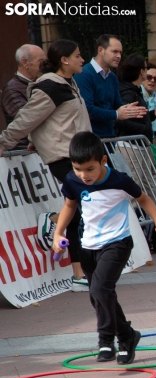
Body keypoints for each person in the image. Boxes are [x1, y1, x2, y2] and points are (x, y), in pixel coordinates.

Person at [51, 131, 156, 364]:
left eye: (89, 169)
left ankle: (109, 339)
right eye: (77, 168)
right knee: (99, 296)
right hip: (88, 246)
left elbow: (143, 198)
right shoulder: (72, 180)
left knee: (100, 290)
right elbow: (69, 206)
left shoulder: (119, 180)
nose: (83, 175)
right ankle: (126, 335)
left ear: (103, 161)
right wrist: (57, 233)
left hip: (117, 242)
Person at [0, 39, 91, 292]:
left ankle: (78, 272)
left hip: (78, 156)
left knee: (80, 209)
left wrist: (33, 140)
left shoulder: (68, 83)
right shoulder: (50, 86)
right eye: (78, 55)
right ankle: (55, 225)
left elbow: (56, 120)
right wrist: (4, 143)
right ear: (64, 60)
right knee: (85, 206)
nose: (82, 59)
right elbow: (28, 118)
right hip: (63, 158)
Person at [74, 34, 146, 138]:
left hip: (109, 137)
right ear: (101, 50)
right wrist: (116, 114)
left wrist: (128, 110)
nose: (119, 56)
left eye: (120, 52)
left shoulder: (112, 77)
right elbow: (87, 109)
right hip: (91, 140)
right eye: (115, 51)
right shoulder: (85, 74)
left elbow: (117, 104)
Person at [1, 44, 46, 149]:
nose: (44, 66)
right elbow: (27, 119)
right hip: (23, 151)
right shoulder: (12, 88)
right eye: (40, 61)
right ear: (25, 62)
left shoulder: (41, 83)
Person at [115, 54, 156, 140]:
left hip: (138, 145)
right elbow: (120, 120)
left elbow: (136, 117)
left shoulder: (135, 90)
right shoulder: (128, 93)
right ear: (142, 71)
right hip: (131, 146)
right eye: (146, 68)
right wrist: (144, 128)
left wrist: (152, 114)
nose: (152, 80)